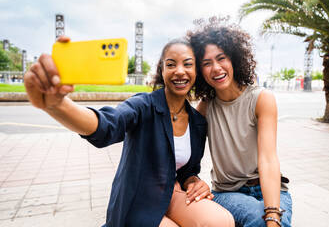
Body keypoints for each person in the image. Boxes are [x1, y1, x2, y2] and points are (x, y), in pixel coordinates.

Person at [23, 36, 234, 227]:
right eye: (171, 64)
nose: (179, 71)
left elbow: (188, 170)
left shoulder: (197, 121)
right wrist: (58, 105)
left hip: (171, 192)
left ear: (196, 72)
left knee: (221, 221)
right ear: (162, 70)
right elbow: (108, 125)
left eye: (188, 64)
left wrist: (194, 181)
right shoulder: (142, 105)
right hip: (138, 199)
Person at [187, 20, 292, 227]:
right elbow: (188, 156)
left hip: (270, 188)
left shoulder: (261, 99)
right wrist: (192, 180)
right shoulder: (206, 107)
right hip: (227, 193)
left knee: (274, 222)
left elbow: (268, 160)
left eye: (221, 58)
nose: (216, 68)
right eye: (207, 63)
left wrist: (272, 213)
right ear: (200, 70)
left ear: (234, 59)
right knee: (257, 218)